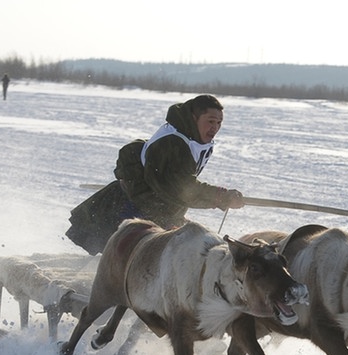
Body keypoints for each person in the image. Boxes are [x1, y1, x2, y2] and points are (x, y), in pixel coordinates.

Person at [66, 94, 245, 255]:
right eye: (211, 121)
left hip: (155, 210)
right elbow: (181, 189)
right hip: (130, 211)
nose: (215, 128)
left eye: (219, 123)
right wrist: (221, 196)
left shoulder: (193, 138)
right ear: (194, 117)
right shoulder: (173, 143)